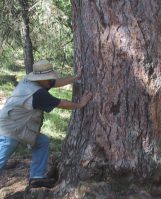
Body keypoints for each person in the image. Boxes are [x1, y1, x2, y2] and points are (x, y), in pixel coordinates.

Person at [0, 59, 92, 188]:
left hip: (18, 125)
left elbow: (55, 83)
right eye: (47, 78)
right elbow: (61, 104)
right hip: (8, 129)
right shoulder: (38, 94)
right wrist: (80, 104)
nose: (50, 80)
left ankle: (37, 177)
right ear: (39, 78)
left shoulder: (31, 80)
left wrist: (75, 77)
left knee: (42, 141)